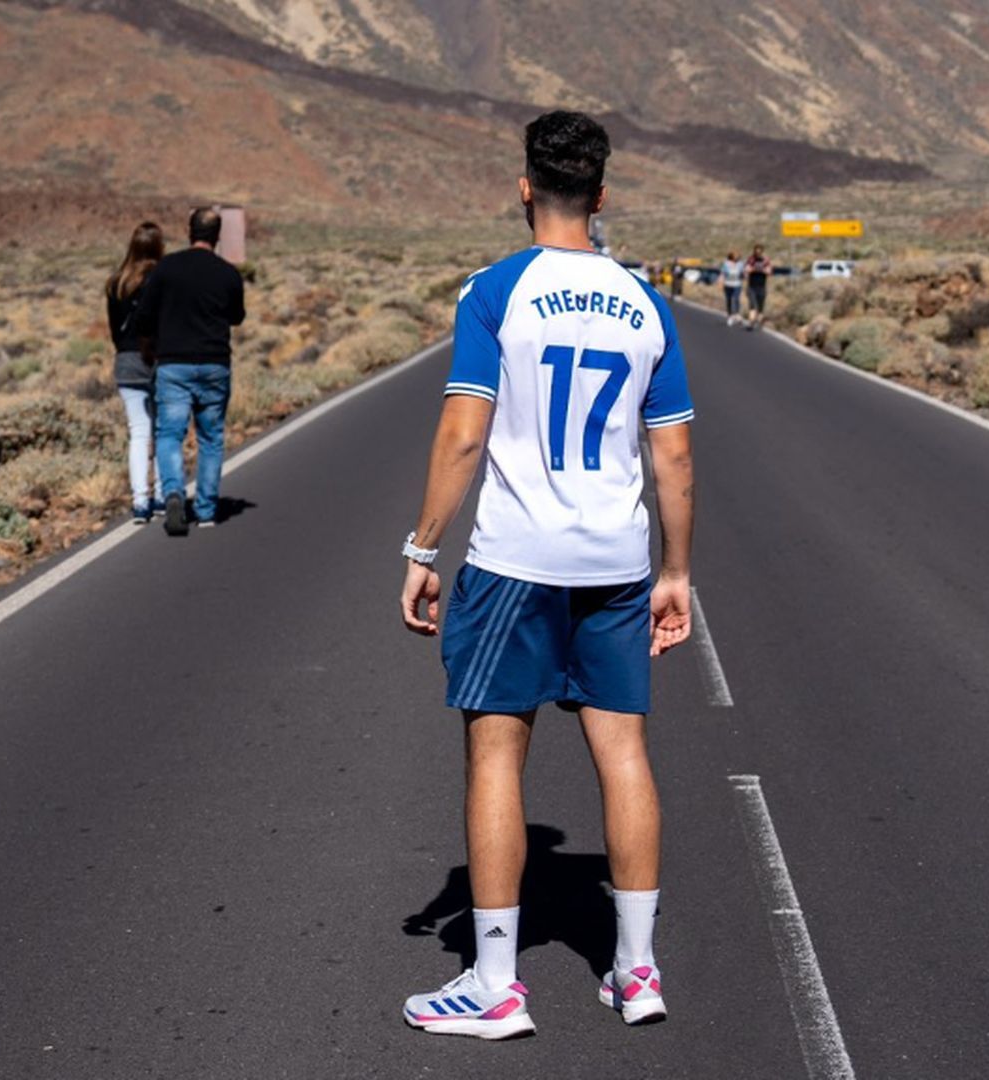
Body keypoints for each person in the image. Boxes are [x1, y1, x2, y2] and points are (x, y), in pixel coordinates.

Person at [397, 109, 696, 1040]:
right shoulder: (645, 302)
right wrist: (675, 572)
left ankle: (493, 986)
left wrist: (421, 546)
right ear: (601, 196)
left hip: (513, 562)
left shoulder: (495, 291)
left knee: (496, 751)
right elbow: (673, 456)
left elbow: (464, 429)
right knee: (624, 752)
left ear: (525, 186)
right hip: (615, 563)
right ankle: (636, 972)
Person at [133, 207, 245, 536]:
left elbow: (143, 318)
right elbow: (237, 316)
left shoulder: (167, 269)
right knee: (210, 438)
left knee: (169, 434)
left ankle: (173, 494)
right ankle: (207, 509)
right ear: (218, 235)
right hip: (214, 364)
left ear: (189, 231)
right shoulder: (227, 273)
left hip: (173, 365)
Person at [105, 222, 164, 524]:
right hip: (159, 359)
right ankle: (166, 495)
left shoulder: (116, 283)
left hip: (127, 361)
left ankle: (141, 501)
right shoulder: (163, 278)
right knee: (165, 430)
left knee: (138, 432)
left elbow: (115, 331)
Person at [743, 243, 772, 330]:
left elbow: (769, 271)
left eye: (759, 252)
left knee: (760, 306)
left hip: (762, 286)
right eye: (756, 251)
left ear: (762, 252)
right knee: (752, 304)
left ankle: (759, 322)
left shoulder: (765, 260)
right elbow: (747, 269)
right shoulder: (751, 259)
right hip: (752, 286)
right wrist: (755, 269)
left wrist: (760, 269)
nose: (758, 253)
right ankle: (751, 322)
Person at [719, 250, 743, 326]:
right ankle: (730, 315)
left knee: (736, 298)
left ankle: (737, 314)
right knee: (729, 299)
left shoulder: (740, 264)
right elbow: (723, 274)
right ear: (731, 256)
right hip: (728, 284)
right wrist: (721, 282)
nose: (737, 257)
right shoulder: (726, 263)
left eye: (737, 255)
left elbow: (743, 273)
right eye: (735, 255)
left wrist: (744, 275)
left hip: (737, 284)